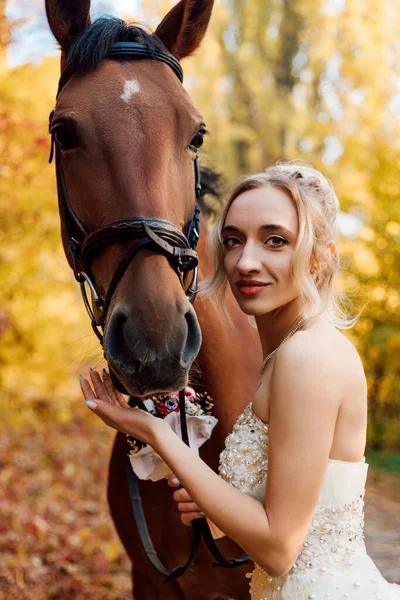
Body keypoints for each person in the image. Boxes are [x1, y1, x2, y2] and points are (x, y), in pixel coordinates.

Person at [80, 161, 400, 599]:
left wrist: (155, 432)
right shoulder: (290, 354)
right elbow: (299, 510)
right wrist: (214, 503)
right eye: (233, 240)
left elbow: (279, 549)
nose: (246, 262)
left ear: (322, 256)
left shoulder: (308, 357)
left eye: (275, 240)